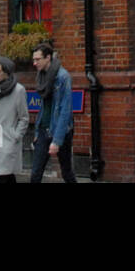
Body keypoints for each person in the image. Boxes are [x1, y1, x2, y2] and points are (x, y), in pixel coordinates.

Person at [30, 43, 75, 183]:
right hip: (43, 129)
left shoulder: (62, 77)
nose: (34, 63)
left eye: (38, 59)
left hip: (60, 130)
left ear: (48, 57)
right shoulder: (41, 76)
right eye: (34, 59)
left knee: (66, 171)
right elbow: (44, 107)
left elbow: (65, 110)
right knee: (36, 173)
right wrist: (37, 133)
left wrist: (57, 140)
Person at [0, 57, 30, 183]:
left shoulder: (18, 90)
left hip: (8, 137)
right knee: (3, 174)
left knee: (4, 174)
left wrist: (16, 135)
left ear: (7, 72)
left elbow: (24, 118)